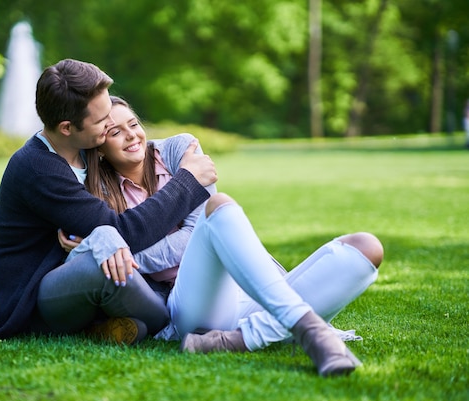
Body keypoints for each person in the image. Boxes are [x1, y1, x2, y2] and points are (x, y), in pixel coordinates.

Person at [63, 97, 384, 376]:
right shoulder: (96, 192)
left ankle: (238, 340)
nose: (131, 135)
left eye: (133, 123)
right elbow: (198, 235)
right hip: (196, 303)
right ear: (100, 148)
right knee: (219, 205)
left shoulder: (177, 149)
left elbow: (192, 236)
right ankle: (311, 331)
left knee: (365, 248)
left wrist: (128, 257)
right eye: (115, 132)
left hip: (255, 292)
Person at [0, 59, 217, 344]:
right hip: (34, 299)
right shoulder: (38, 168)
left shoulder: (86, 150)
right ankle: (168, 322)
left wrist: (180, 152)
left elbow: (131, 149)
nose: (110, 125)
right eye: (101, 120)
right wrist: (188, 180)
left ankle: (110, 325)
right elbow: (123, 231)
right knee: (103, 263)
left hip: (71, 271)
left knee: (107, 253)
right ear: (67, 127)